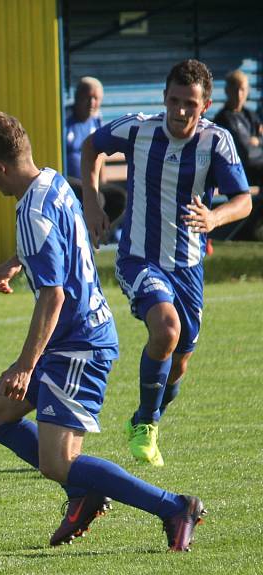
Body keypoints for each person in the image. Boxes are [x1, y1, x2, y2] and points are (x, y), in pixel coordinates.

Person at [0, 111, 206, 551]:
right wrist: (18, 261)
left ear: (0, 166)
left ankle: (174, 505)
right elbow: (59, 240)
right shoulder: (52, 182)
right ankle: (84, 492)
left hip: (78, 346)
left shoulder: (31, 213)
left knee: (58, 463)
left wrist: (25, 365)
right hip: (68, 340)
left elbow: (53, 297)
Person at [80, 59, 252, 466]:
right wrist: (92, 201)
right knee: (166, 329)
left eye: (189, 104)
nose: (179, 111)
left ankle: (146, 416)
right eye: (173, 101)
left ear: (205, 105)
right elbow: (92, 147)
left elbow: (243, 200)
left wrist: (213, 218)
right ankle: (146, 428)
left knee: (179, 363)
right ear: (164, 98)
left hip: (188, 267)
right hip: (138, 258)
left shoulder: (217, 142)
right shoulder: (139, 128)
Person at [213, 69, 263, 185]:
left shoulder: (250, 115)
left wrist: (257, 141)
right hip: (241, 176)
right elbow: (247, 154)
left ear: (248, 91)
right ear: (227, 91)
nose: (239, 95)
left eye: (243, 89)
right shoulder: (224, 119)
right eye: (235, 90)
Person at [65, 76, 103, 179]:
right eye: (88, 97)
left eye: (96, 98)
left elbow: (101, 156)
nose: (91, 103)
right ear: (77, 97)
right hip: (68, 183)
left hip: (90, 183)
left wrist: (102, 182)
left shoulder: (97, 121)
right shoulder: (64, 118)